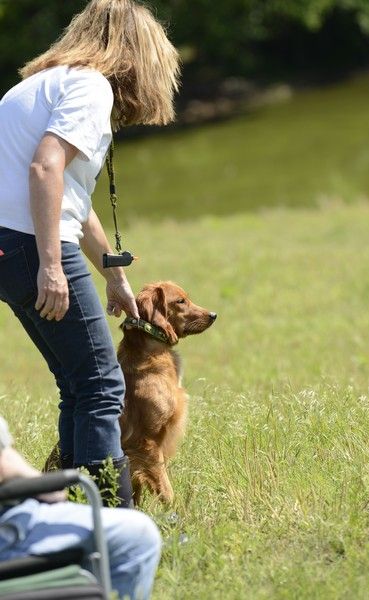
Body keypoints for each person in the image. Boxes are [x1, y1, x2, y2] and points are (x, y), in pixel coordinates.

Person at [0, 0, 180, 507]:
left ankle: (70, 514)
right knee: (103, 386)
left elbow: (70, 198)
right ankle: (115, 520)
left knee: (78, 385)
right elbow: (45, 169)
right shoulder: (90, 87)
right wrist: (51, 266)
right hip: (33, 245)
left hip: (9, 247)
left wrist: (114, 276)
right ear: (136, 52)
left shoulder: (43, 84)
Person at [0, 416, 162, 600]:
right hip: (11, 521)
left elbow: (4, 454)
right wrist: (39, 484)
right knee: (137, 535)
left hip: (16, 505)